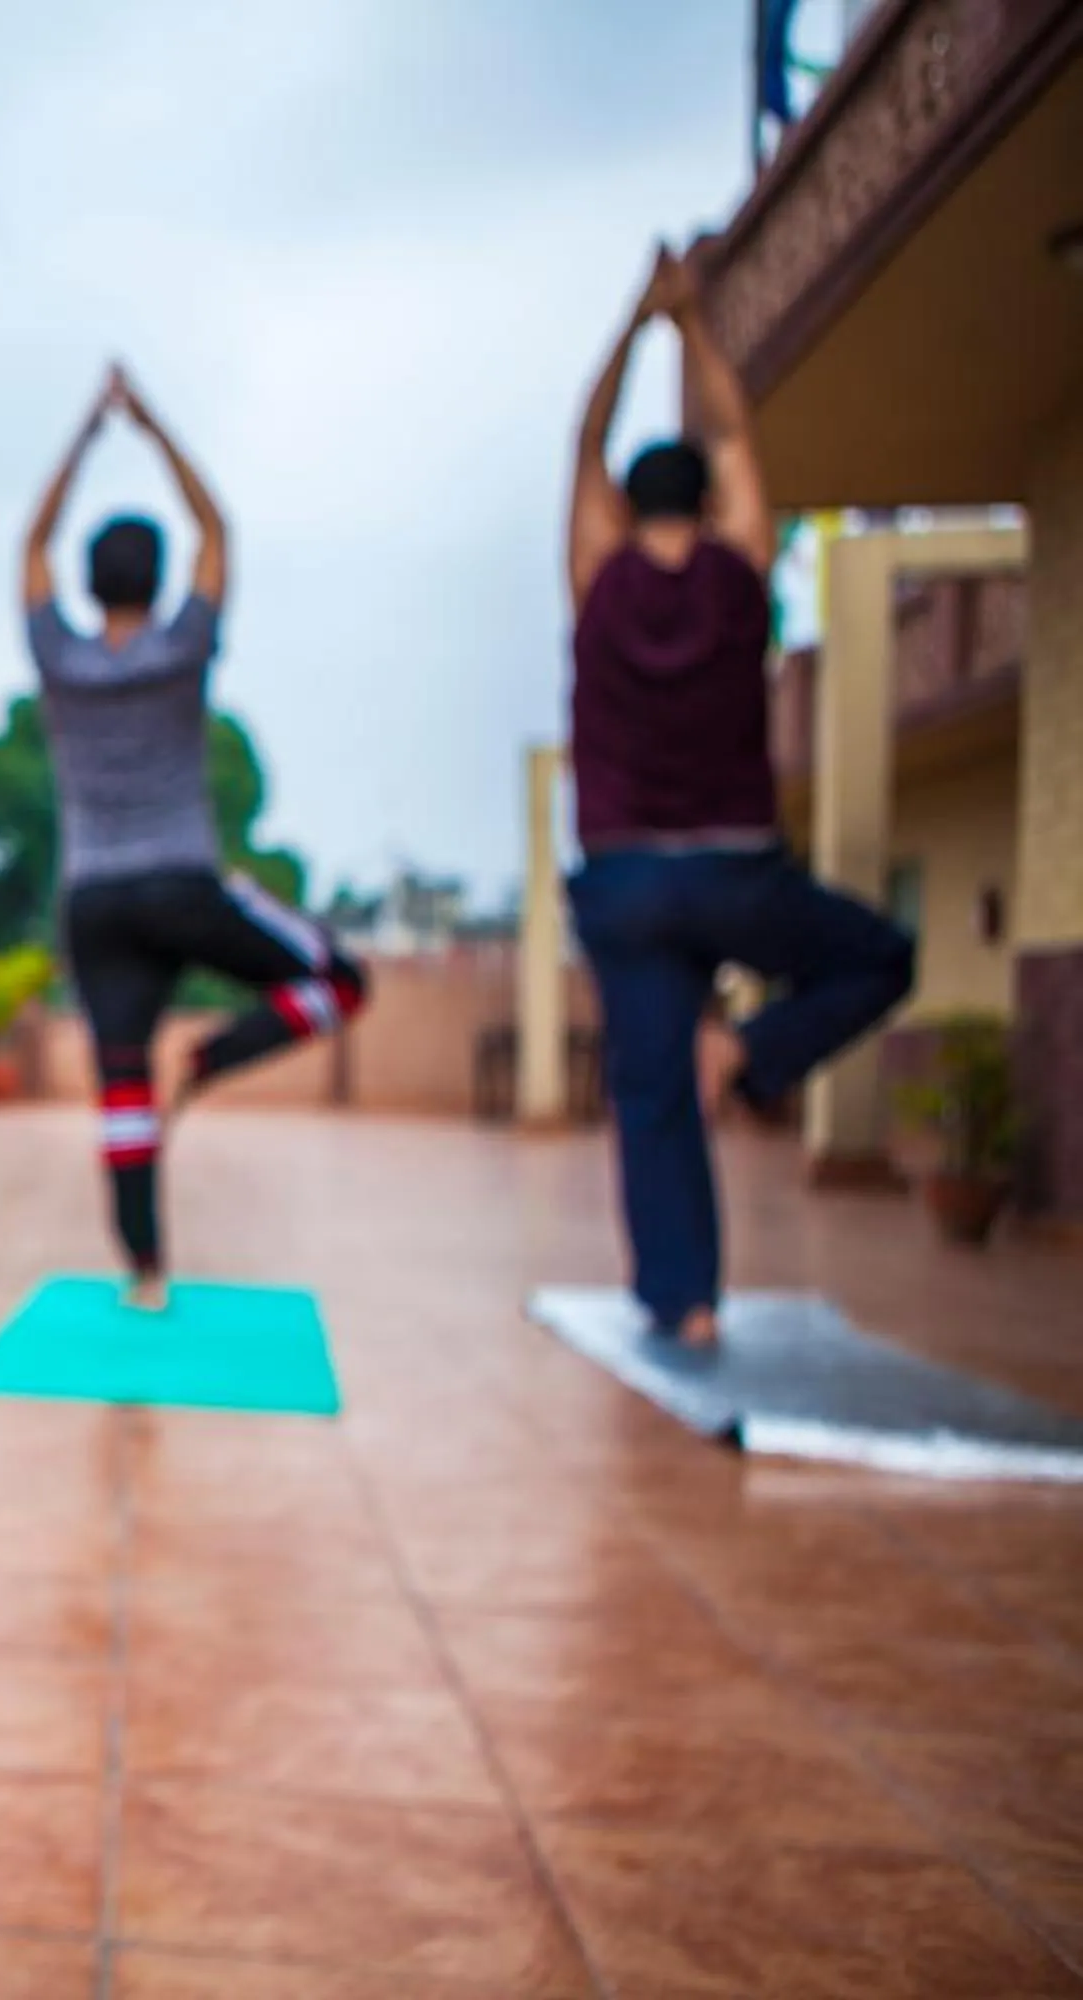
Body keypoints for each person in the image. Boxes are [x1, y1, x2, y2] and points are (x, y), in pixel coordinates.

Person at [563, 246, 912, 1347]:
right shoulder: (740, 570)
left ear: (624, 506)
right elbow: (737, 435)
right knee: (878, 955)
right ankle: (752, 1051)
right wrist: (695, 326)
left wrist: (632, 325)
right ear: (713, 505)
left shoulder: (600, 575)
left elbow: (581, 444)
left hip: (625, 878)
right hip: (734, 870)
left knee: (652, 1097)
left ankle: (688, 1299)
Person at [25, 364, 370, 1311]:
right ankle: (211, 1058)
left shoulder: (60, 658)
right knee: (341, 983)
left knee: (123, 1092)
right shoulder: (184, 650)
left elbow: (30, 545)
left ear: (91, 588)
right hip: (181, 882)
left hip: (94, 898)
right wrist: (154, 425)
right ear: (163, 581)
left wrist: (84, 437)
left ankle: (144, 1271)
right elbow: (219, 530)